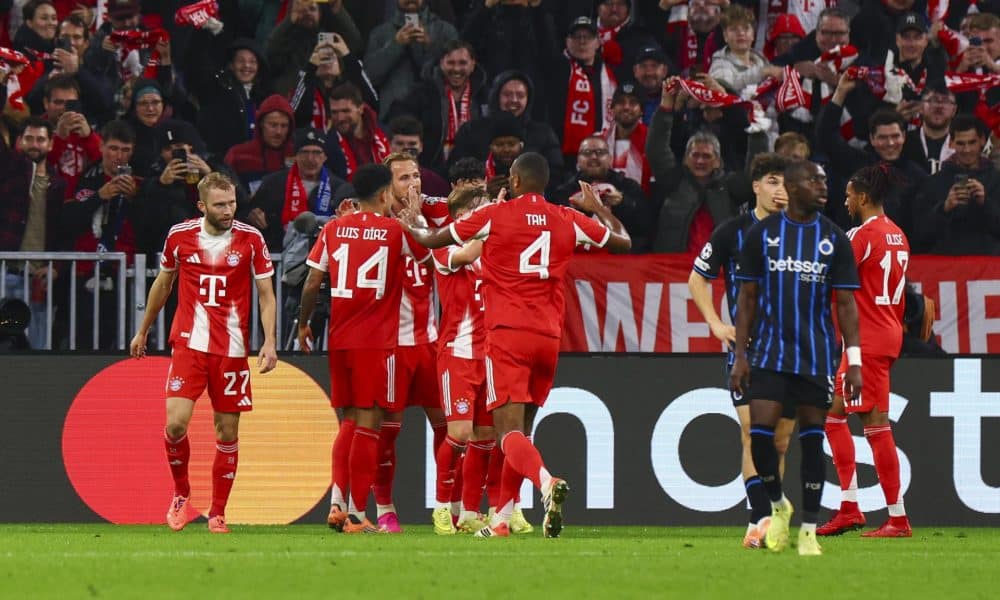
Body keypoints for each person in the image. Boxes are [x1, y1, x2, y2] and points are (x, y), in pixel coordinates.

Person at [400, 152, 632, 538]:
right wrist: (599, 210)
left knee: (506, 434)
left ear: (516, 181)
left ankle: (545, 483)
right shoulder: (567, 218)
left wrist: (414, 225)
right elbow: (623, 243)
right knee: (522, 432)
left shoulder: (496, 215)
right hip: (549, 337)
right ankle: (502, 520)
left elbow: (434, 240)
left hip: (508, 335)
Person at [129, 172, 279, 534]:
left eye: (232, 203)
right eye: (220, 205)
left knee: (227, 433)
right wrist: (143, 328)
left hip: (232, 348)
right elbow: (163, 283)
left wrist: (270, 341)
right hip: (189, 343)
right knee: (175, 423)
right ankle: (181, 493)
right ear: (202, 206)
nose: (229, 210)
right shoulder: (180, 236)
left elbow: (266, 295)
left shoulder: (251, 239)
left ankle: (218, 511)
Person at [729, 159, 862, 556]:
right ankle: (776, 503)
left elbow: (846, 305)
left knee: (811, 438)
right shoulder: (762, 235)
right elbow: (747, 298)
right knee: (761, 438)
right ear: (793, 186)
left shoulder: (835, 239)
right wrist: (739, 354)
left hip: (817, 355)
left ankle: (808, 529)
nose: (823, 186)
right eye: (814, 180)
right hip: (769, 353)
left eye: (825, 179)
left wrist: (853, 360)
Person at [296, 163, 431, 534]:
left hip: (340, 340)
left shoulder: (334, 228)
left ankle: (337, 503)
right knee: (370, 427)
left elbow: (311, 283)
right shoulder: (394, 230)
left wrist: (304, 322)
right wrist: (415, 221)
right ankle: (356, 513)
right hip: (378, 343)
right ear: (386, 194)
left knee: (350, 422)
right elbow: (429, 257)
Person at [688, 153, 795, 549]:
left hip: (789, 351)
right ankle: (765, 514)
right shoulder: (732, 231)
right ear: (755, 186)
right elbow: (697, 279)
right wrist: (716, 323)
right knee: (752, 431)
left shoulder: (802, 234)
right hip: (748, 351)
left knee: (777, 442)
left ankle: (759, 520)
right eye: (772, 182)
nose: (780, 191)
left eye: (785, 184)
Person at [819, 164, 913, 539]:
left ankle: (898, 518)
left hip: (866, 340)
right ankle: (849, 507)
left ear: (861, 197)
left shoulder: (862, 235)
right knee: (834, 416)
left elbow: (833, 281)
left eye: (847, 194)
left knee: (876, 426)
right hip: (887, 330)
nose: (845, 200)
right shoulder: (898, 235)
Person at [245, 127, 349, 252]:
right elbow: (247, 215)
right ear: (296, 156)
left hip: (326, 255)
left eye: (316, 153)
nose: (310, 159)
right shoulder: (273, 183)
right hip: (279, 255)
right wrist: (251, 215)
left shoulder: (341, 188)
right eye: (304, 152)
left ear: (325, 157)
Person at [913, 115, 1000, 255]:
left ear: (982, 141)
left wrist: (985, 203)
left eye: (972, 142)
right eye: (960, 143)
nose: (967, 149)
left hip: (989, 268)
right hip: (945, 268)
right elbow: (919, 234)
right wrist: (944, 208)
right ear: (951, 143)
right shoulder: (932, 183)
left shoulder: (996, 180)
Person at [902, 85, 956, 175]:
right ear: (921, 108)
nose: (939, 106)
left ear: (954, 110)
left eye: (946, 101)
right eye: (932, 100)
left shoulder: (963, 144)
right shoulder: (904, 142)